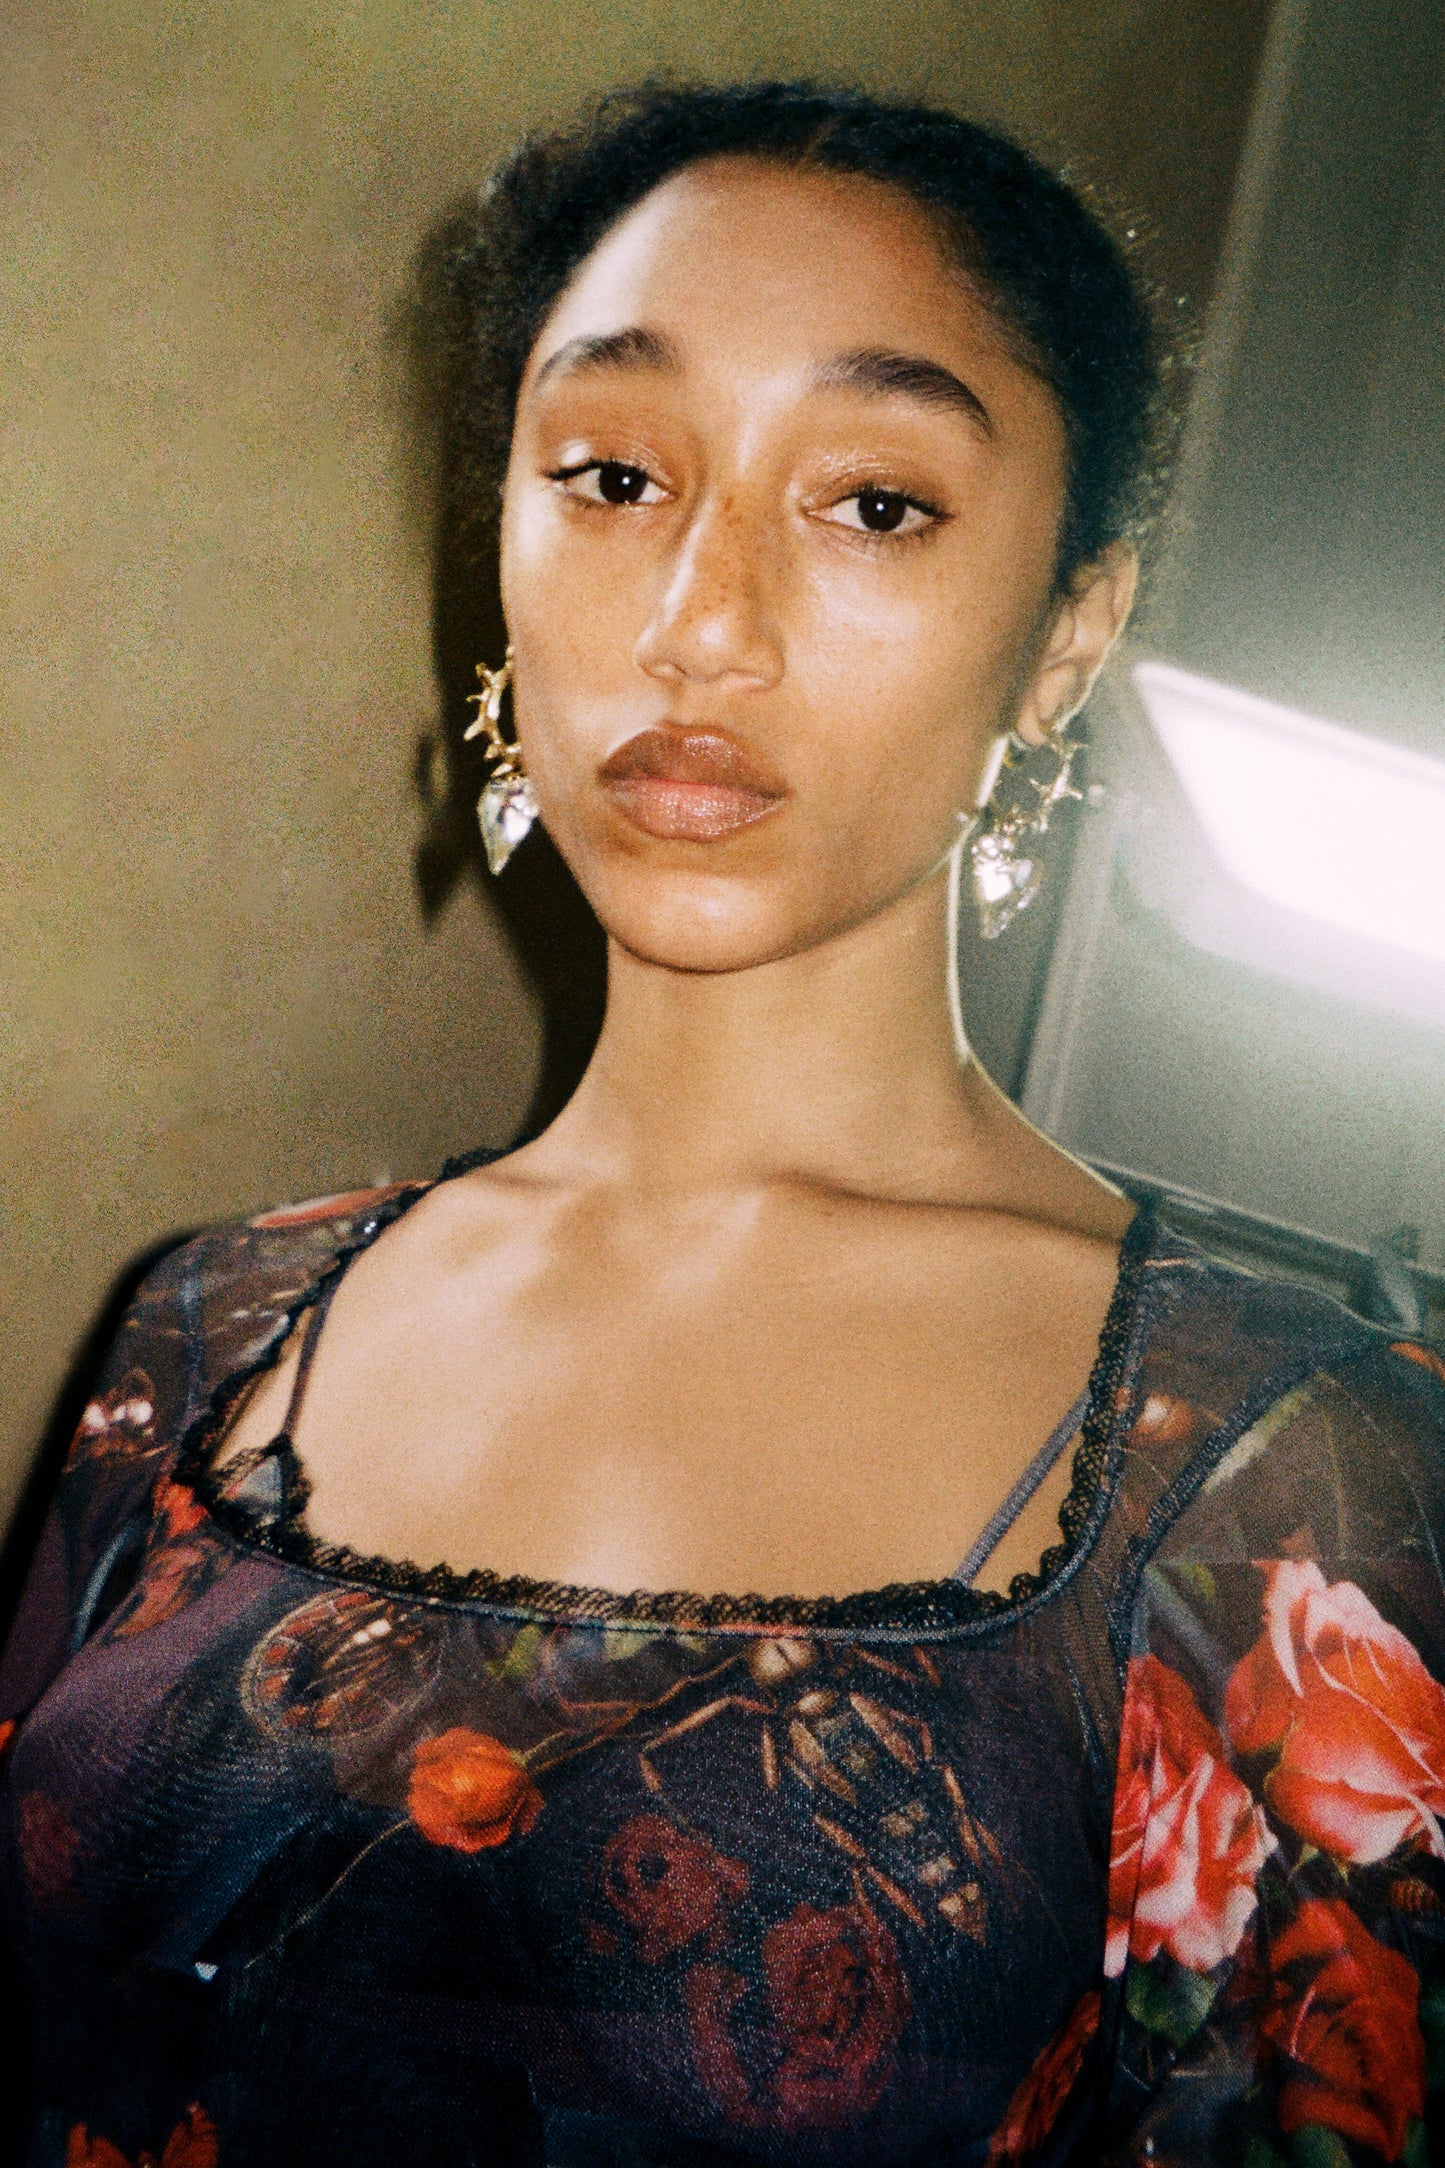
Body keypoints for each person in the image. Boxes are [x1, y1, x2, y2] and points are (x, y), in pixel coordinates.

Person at [4, 79, 1444, 2168]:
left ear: (1067, 636)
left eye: (873, 505)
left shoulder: (1291, 1475)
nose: (700, 620)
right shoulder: (212, 1325)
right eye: (611, 476)